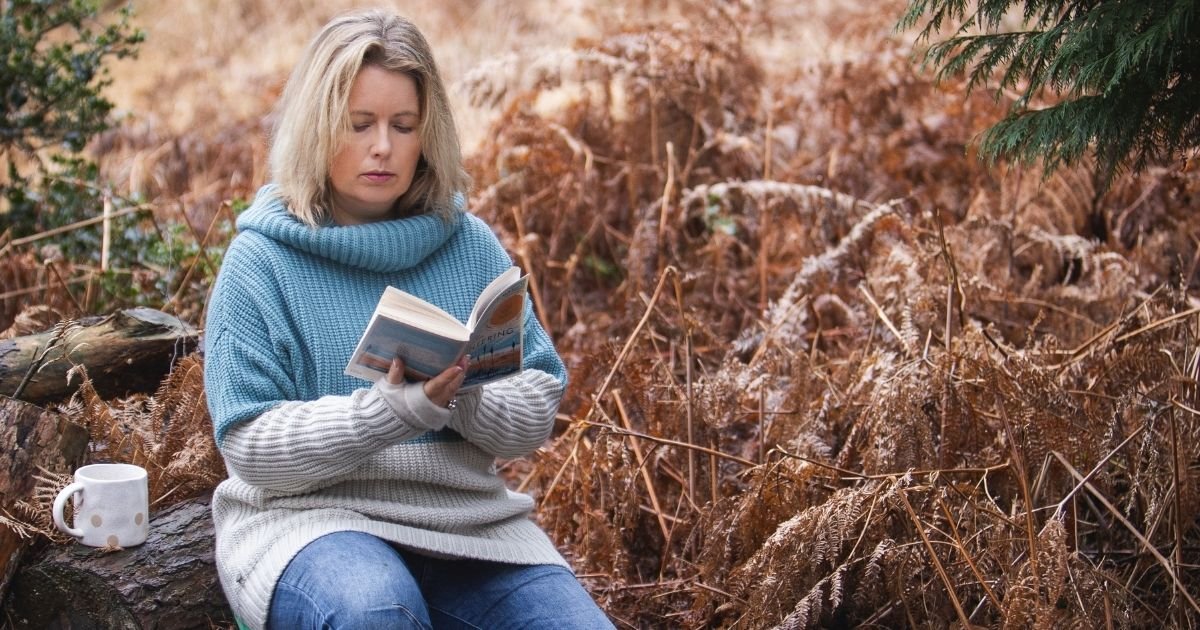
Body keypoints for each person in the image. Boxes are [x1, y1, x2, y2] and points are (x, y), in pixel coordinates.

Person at [203, 9, 613, 629]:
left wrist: (459, 397)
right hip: (313, 526)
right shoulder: (261, 260)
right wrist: (392, 413)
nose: (383, 148)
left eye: (404, 125)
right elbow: (249, 447)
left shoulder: (468, 243)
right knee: (374, 611)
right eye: (359, 124)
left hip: (470, 529)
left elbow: (537, 403)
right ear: (318, 126)